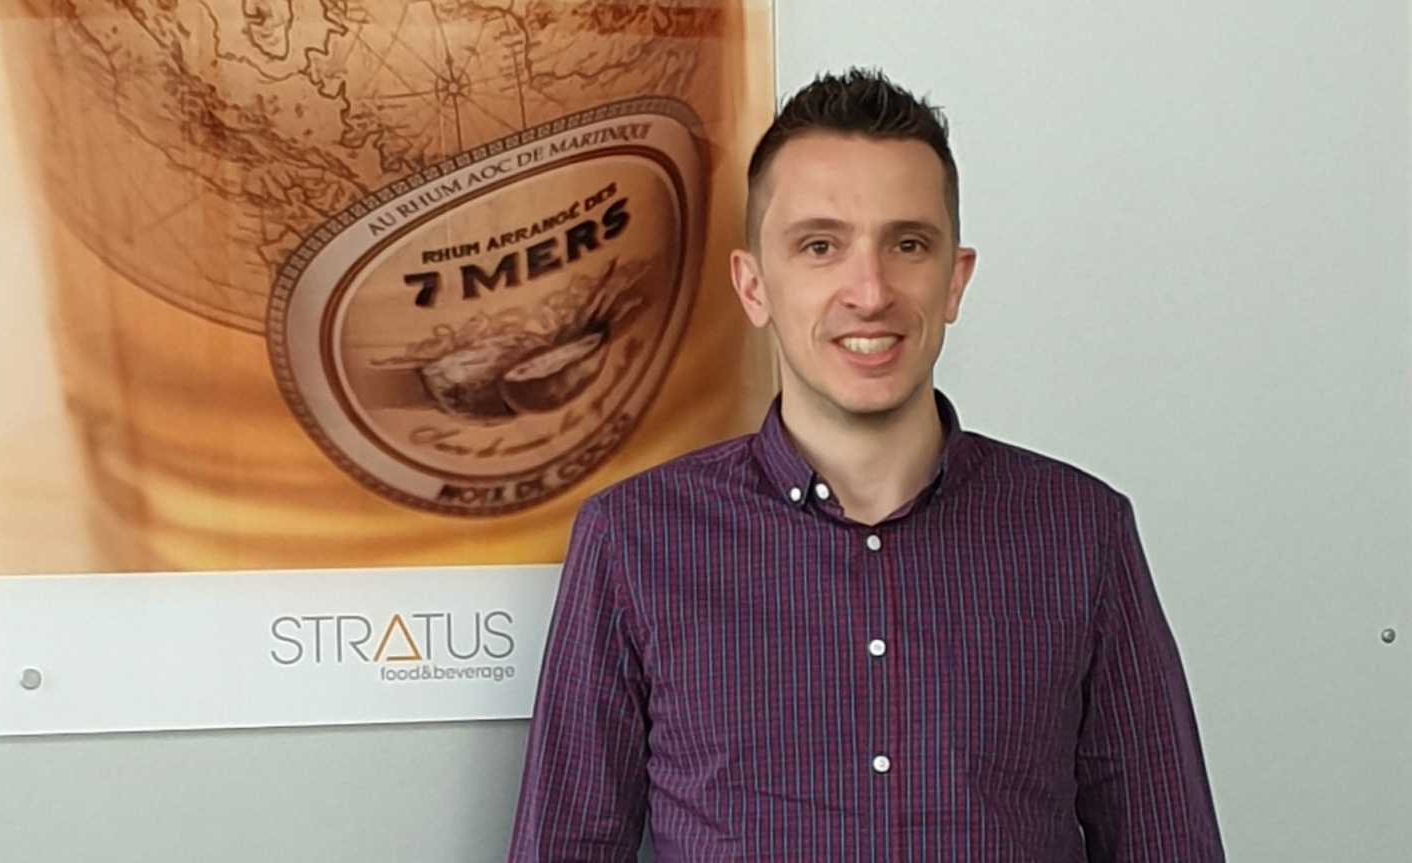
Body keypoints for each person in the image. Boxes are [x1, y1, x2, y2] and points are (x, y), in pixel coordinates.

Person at [508, 68, 1225, 862]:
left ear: (954, 279)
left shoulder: (1081, 532)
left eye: (908, 244)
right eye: (820, 246)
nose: (870, 290)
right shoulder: (634, 540)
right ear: (754, 286)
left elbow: (1168, 842)